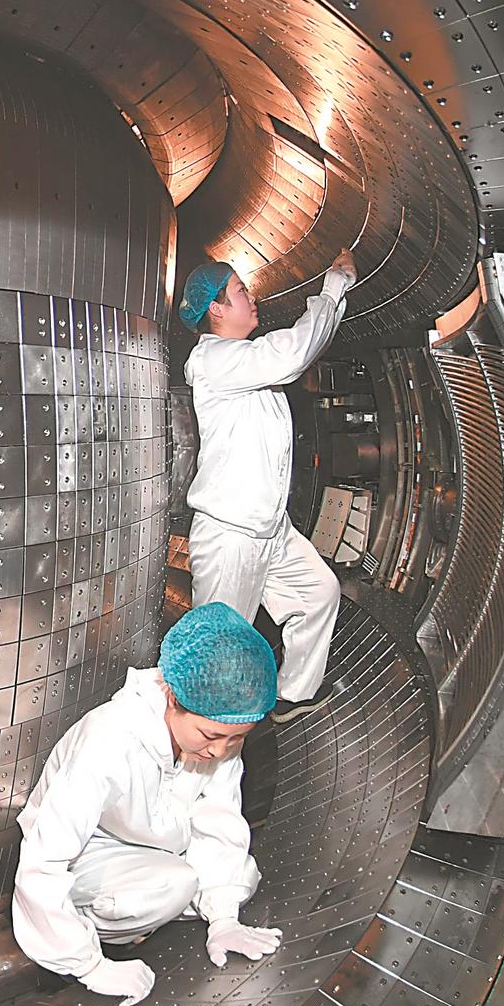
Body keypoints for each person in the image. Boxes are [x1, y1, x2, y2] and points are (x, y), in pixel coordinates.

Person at [11, 603, 282, 1006]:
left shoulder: (216, 737)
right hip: (91, 852)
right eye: (211, 735)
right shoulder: (109, 741)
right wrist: (87, 964)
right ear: (172, 696)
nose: (220, 751)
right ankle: (91, 929)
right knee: (175, 885)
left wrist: (224, 918)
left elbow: (220, 820)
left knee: (236, 874)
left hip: (155, 844)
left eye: (237, 739)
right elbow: (43, 862)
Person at [179, 249, 357, 722]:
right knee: (216, 649)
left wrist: (336, 302)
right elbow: (293, 352)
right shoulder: (215, 359)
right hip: (231, 535)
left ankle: (293, 694)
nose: (251, 297)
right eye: (240, 291)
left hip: (270, 530)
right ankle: (200, 748)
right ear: (216, 309)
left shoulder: (247, 364)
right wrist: (334, 283)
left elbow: (296, 353)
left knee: (318, 593)